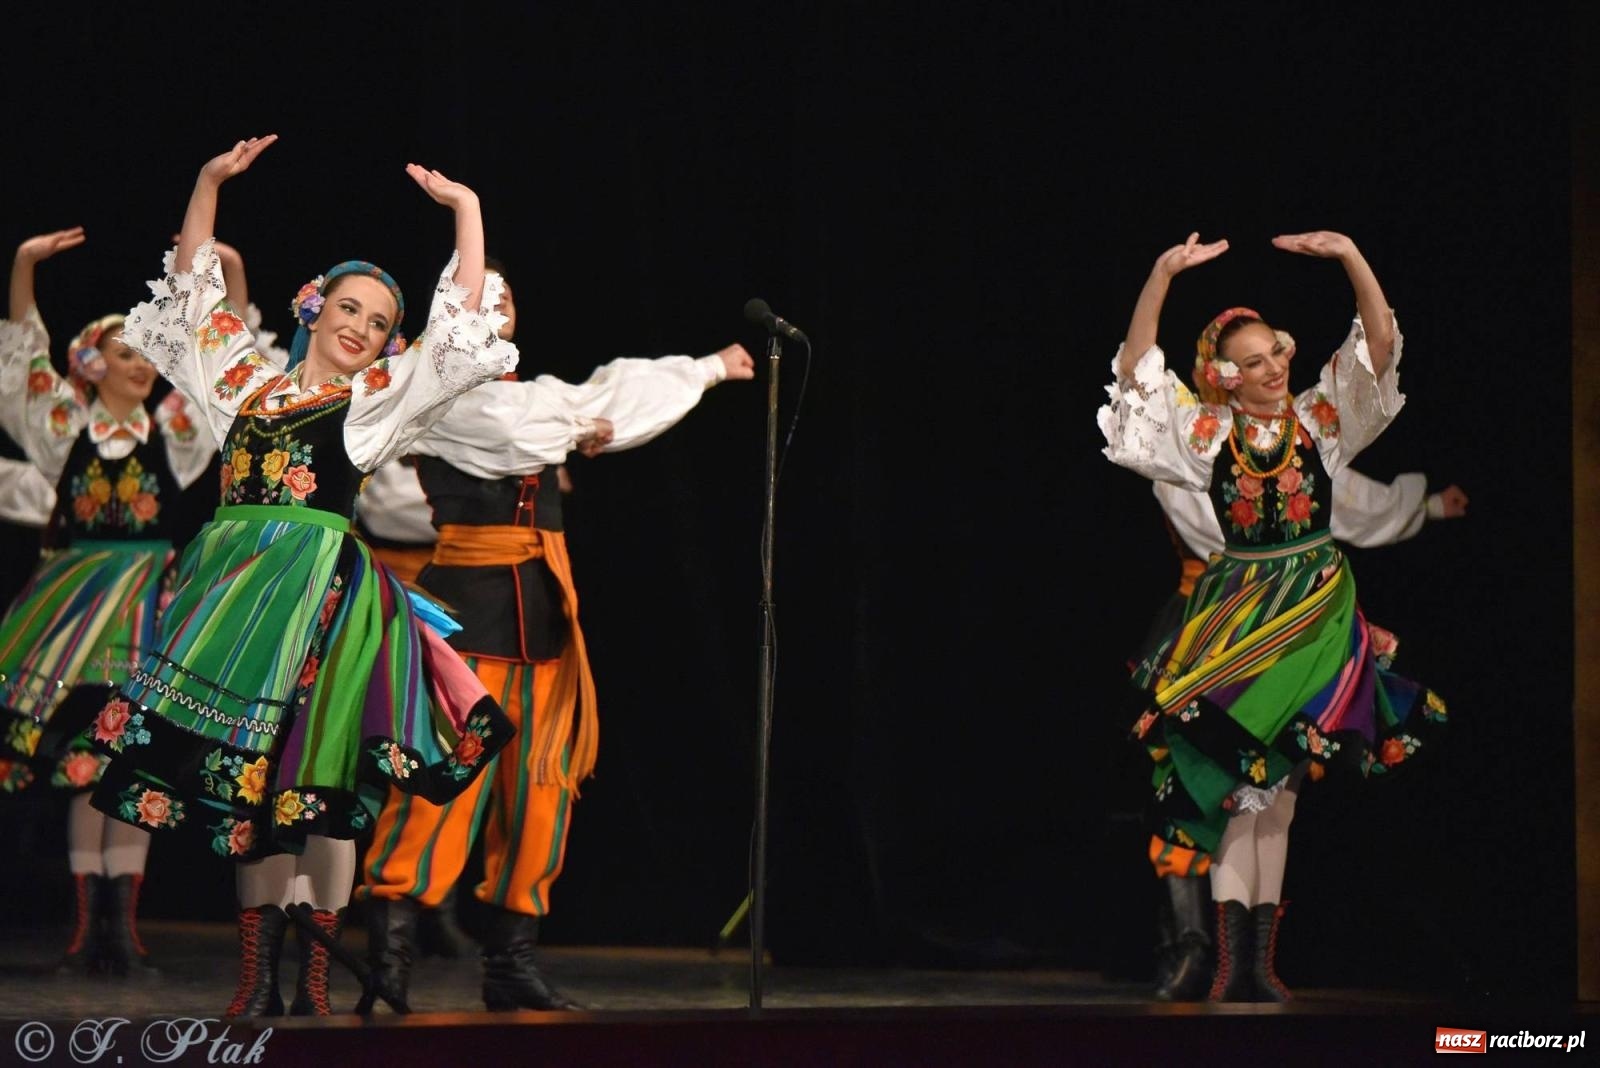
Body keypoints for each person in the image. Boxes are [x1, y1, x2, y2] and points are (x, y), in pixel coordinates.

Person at [87, 136, 517, 1017]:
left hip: (322, 603)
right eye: (348, 309)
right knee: (249, 785)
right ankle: (257, 983)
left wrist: (466, 211)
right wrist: (206, 182)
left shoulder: (370, 403)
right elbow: (193, 290)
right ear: (314, 308)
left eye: (378, 322)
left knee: (317, 787)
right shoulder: (242, 383)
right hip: (235, 601)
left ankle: (315, 982)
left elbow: (458, 331)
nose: (360, 327)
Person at [355, 260, 754, 1012]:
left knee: (541, 793)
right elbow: (523, 425)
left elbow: (612, 392)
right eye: (479, 295)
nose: (495, 304)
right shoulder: (432, 395)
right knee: (440, 790)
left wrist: (706, 369)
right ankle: (390, 959)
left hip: (542, 626)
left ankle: (511, 963)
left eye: (505, 298)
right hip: (463, 624)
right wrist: (582, 426)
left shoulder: (538, 398)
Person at [1099, 231, 1447, 1002]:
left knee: (1281, 797)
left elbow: (1379, 349)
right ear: (1226, 376)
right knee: (1239, 793)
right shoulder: (1209, 434)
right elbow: (1136, 375)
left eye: (1277, 352)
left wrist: (1354, 255)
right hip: (1242, 615)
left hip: (1314, 613)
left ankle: (1259, 964)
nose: (1273, 366)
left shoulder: (1321, 420)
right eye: (1254, 360)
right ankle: (1232, 965)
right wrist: (1159, 273)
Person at [1146, 469, 1467, 1001]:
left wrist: (1424, 507)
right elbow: (1211, 524)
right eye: (1241, 375)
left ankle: (1256, 965)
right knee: (1206, 786)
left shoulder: (1295, 432)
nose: (1267, 378)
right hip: (1219, 624)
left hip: (1290, 626)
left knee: (1276, 805)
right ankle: (1195, 944)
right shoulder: (1198, 439)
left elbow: (1340, 493)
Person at [0, 227, 219, 975]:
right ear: (92, 363)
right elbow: (26, 360)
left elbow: (224, 370)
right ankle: (85, 926)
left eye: (149, 356)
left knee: (136, 763)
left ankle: (122, 928)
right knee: (86, 762)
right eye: (128, 353)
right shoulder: (69, 430)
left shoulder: (172, 431)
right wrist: (26, 266)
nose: (145, 366)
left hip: (152, 609)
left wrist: (231, 275)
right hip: (78, 612)